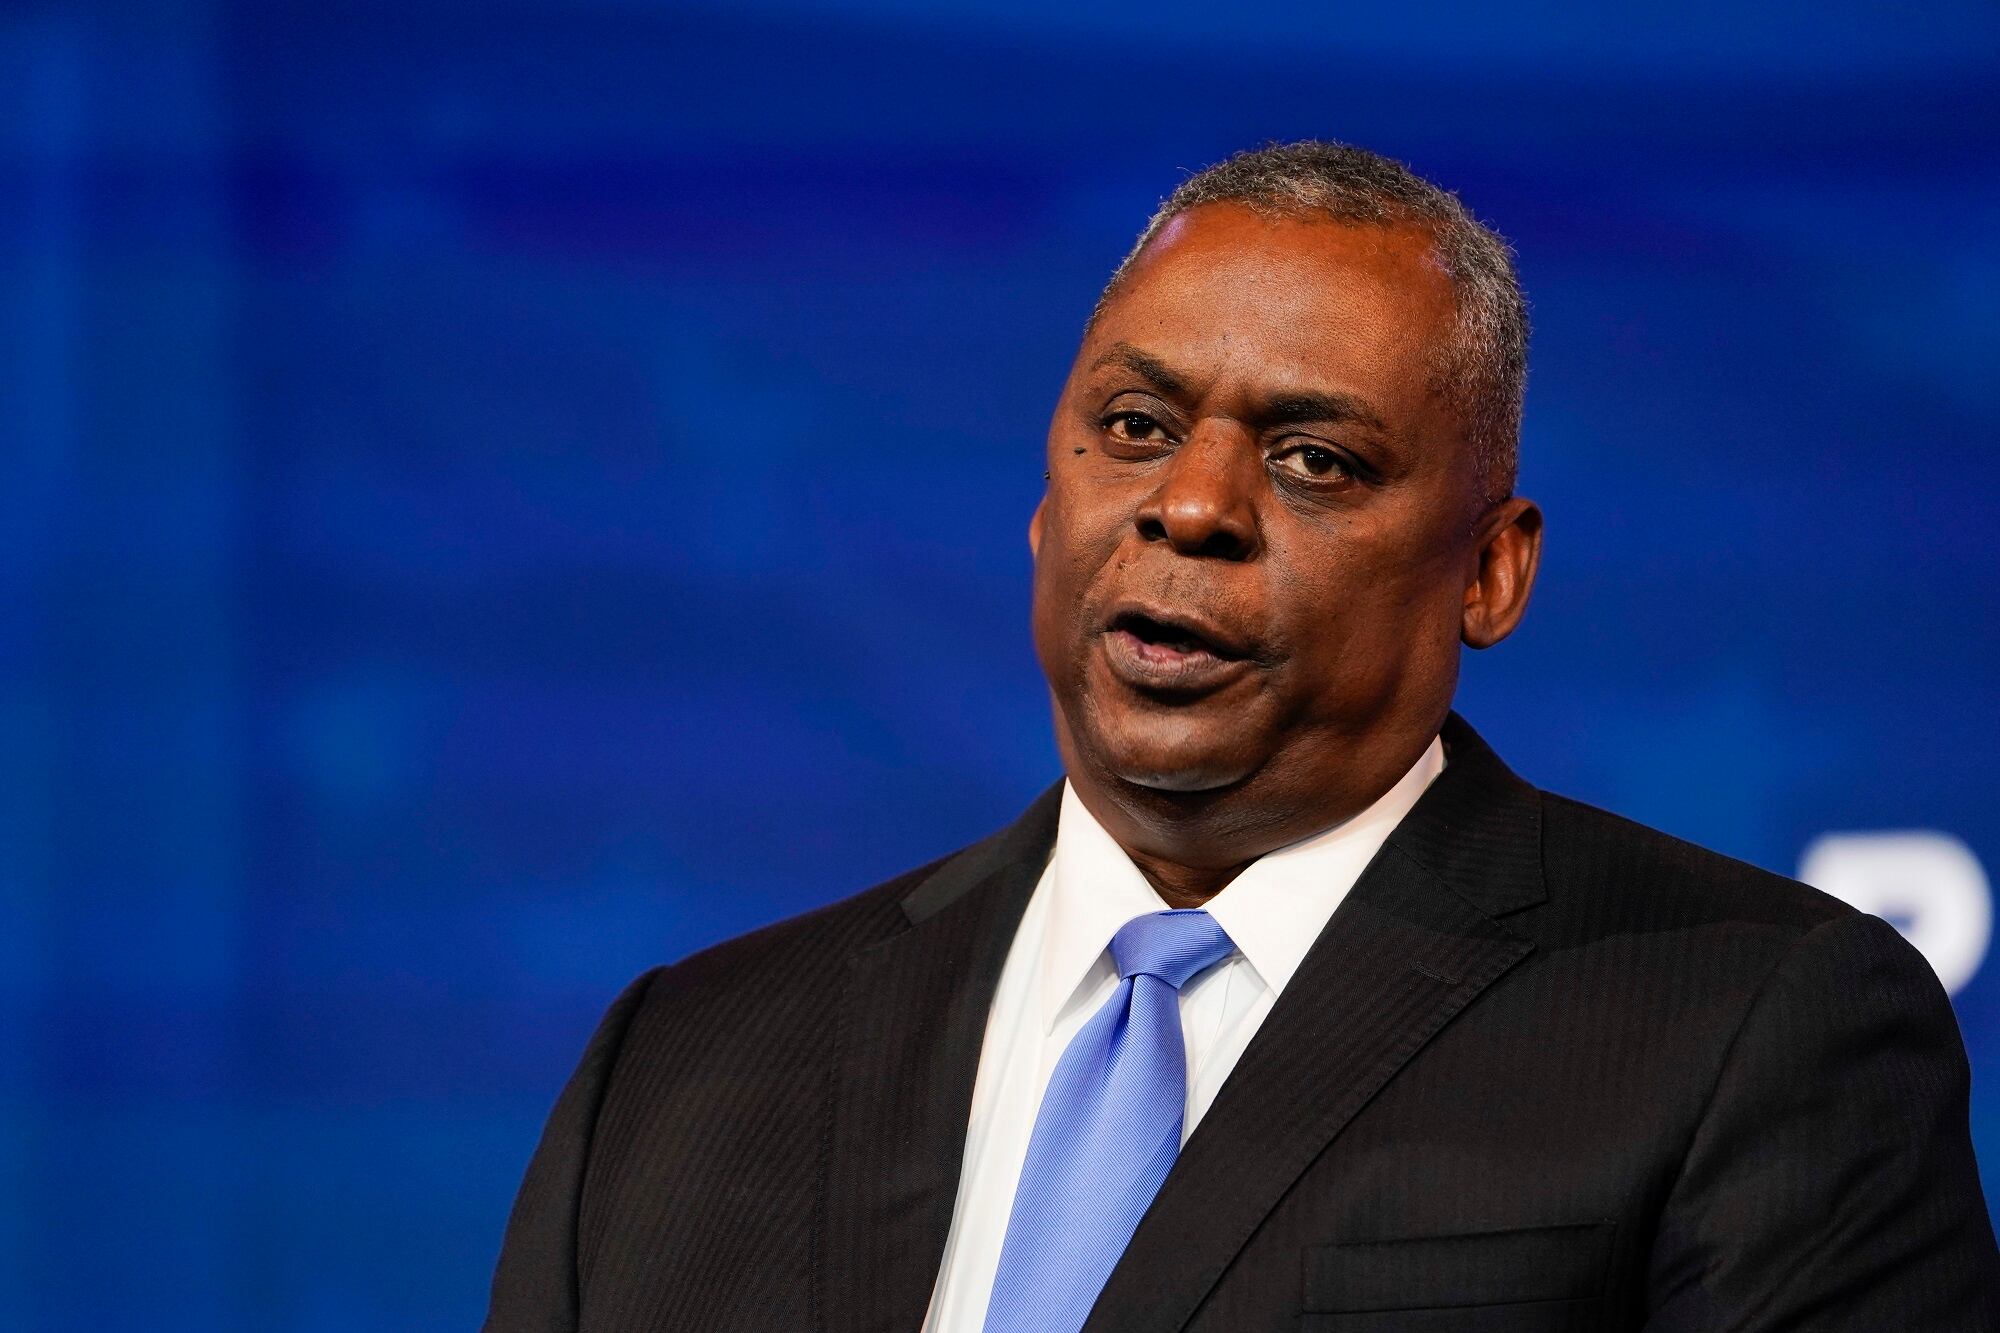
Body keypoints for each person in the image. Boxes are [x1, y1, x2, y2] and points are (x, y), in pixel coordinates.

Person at [482, 142, 2000, 1332]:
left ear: (1491, 569)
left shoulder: (1749, 1025)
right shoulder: (685, 1062)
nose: (1193, 505)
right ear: (1044, 501)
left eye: (1314, 457)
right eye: (1136, 428)